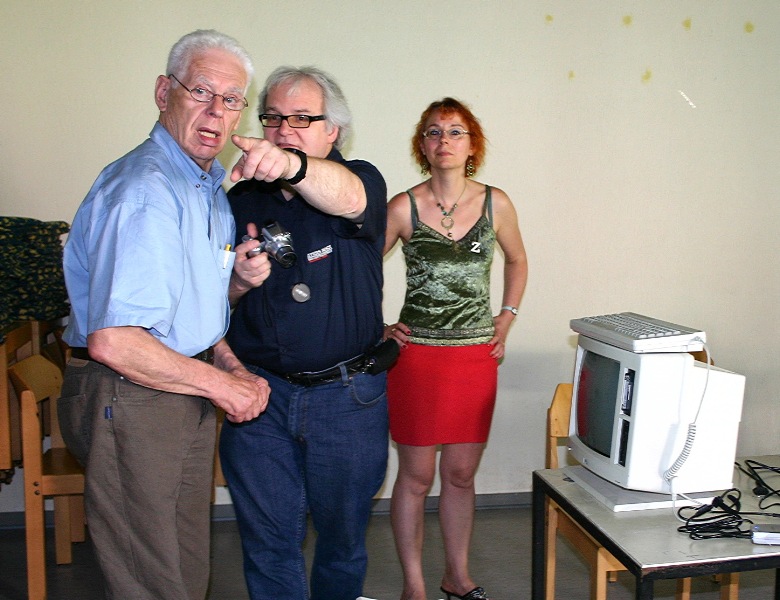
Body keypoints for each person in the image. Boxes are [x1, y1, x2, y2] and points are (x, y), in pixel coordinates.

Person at [58, 30, 270, 600]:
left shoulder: (205, 187)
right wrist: (223, 388)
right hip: (131, 393)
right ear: (163, 92)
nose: (216, 111)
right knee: (150, 579)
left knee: (183, 568)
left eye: (231, 99)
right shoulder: (146, 190)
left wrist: (229, 364)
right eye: (201, 91)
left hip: (176, 387)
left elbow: (187, 315)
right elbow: (116, 341)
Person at [219, 66, 390, 600]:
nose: (283, 130)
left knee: (342, 542)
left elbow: (349, 199)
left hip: (347, 397)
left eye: (301, 119)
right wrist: (238, 283)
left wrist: (291, 164)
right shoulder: (239, 199)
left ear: (332, 130)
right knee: (268, 544)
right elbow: (209, 306)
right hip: (260, 396)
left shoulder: (360, 180)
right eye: (273, 119)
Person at [383, 97, 528, 600]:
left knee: (461, 475)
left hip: (474, 357)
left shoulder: (496, 203)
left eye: (455, 131)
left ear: (472, 145)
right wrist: (379, 326)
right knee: (417, 476)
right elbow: (358, 271)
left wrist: (506, 316)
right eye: (433, 132)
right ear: (422, 146)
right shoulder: (402, 206)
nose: (443, 140)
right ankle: (414, 585)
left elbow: (517, 260)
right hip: (416, 359)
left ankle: (456, 576)